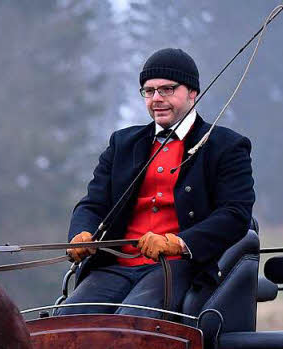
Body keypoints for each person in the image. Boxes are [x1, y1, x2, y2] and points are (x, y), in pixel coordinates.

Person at [57, 48, 255, 316]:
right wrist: (82, 233)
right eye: (149, 91)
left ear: (193, 93)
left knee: (132, 323)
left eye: (167, 89)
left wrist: (178, 242)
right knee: (67, 321)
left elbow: (235, 215)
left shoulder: (227, 146)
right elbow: (93, 203)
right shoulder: (122, 144)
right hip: (116, 265)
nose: (157, 99)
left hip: (178, 267)